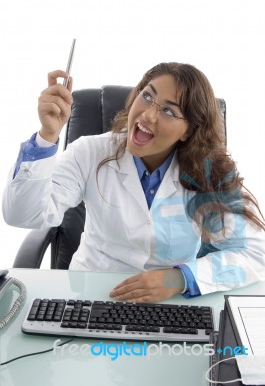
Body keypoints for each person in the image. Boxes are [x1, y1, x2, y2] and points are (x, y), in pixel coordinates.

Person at [3, 62, 265, 303]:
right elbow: (23, 215)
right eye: (147, 96)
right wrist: (47, 136)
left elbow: (255, 253)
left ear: (190, 130)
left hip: (170, 301)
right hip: (92, 295)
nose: (148, 115)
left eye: (168, 111)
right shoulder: (90, 152)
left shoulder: (207, 173)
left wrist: (180, 278)